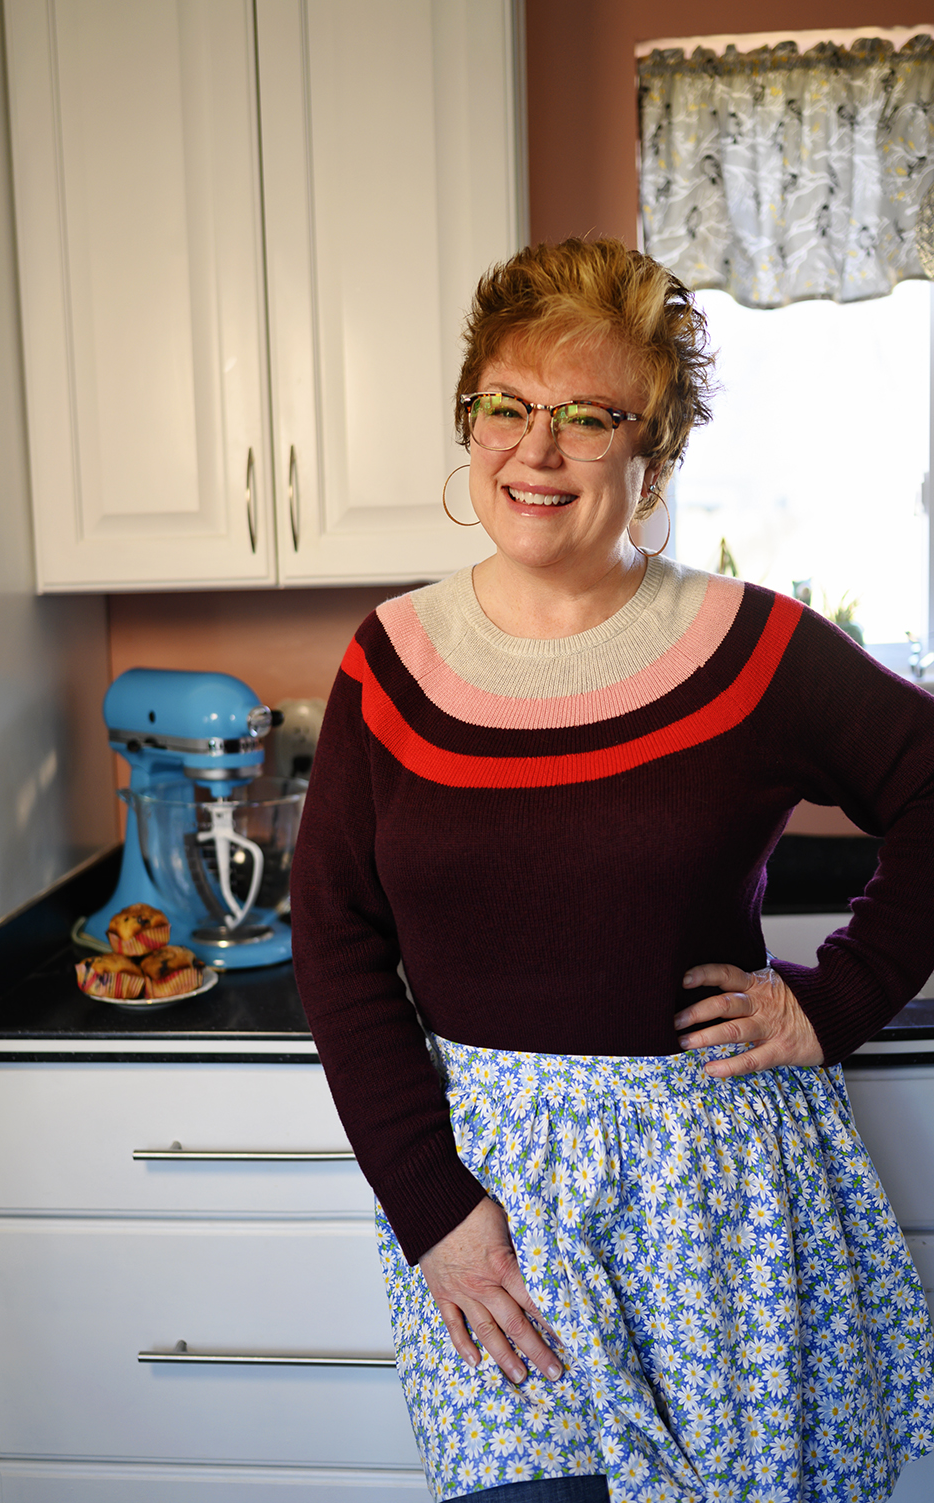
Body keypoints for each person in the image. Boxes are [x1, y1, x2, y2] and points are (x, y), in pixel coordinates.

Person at [290, 238, 934, 1503]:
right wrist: (431, 1207)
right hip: (492, 1226)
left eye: (589, 417)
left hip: (725, 1211)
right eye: (507, 406)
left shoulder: (751, 648)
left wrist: (838, 998)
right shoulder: (391, 663)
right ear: (467, 421)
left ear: (654, 456)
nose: (536, 449)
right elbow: (335, 936)